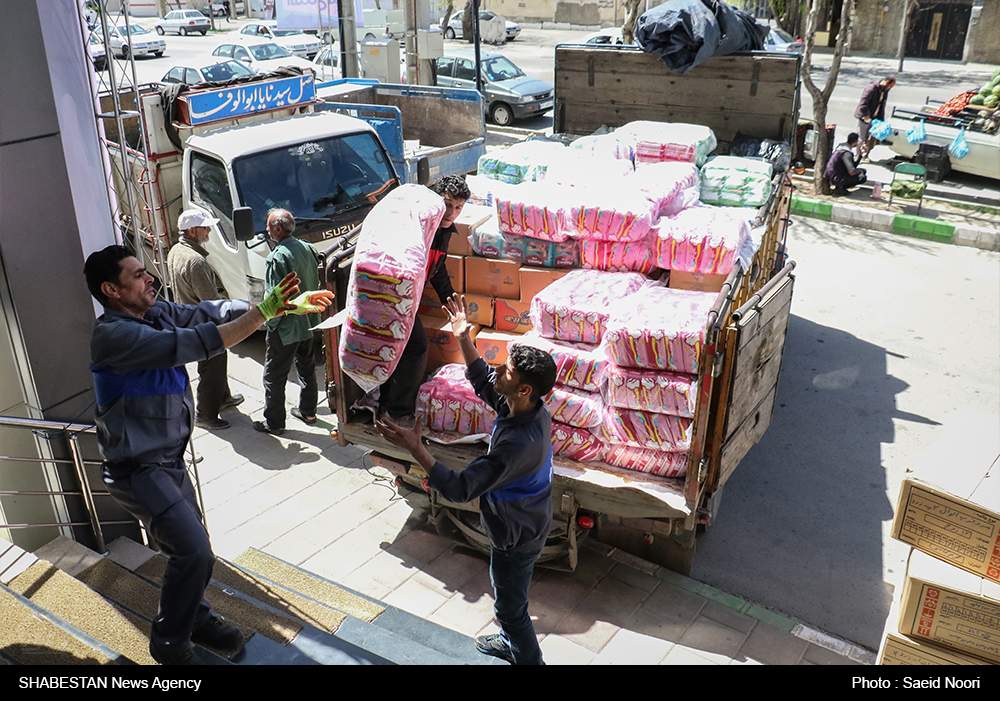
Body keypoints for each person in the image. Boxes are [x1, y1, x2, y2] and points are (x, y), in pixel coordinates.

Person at [84, 245, 331, 665]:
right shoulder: (114, 335)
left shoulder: (153, 312)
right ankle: (169, 647)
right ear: (111, 289)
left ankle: (194, 617)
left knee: (195, 552)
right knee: (194, 551)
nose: (150, 280)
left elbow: (208, 312)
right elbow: (199, 341)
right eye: (138, 275)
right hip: (137, 469)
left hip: (169, 461)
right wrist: (265, 313)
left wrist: (277, 305)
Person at [376, 294, 557, 665]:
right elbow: (487, 384)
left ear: (524, 389)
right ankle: (512, 642)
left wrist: (416, 448)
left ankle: (528, 658)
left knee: (510, 608)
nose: (498, 371)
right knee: (507, 593)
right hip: (524, 520)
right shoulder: (530, 408)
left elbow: (460, 489)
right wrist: (462, 337)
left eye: (506, 370)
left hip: (516, 536)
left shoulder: (518, 445)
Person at [376, 175, 470, 427]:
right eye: (447, 204)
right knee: (416, 347)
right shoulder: (418, 226)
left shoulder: (445, 232)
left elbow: (437, 270)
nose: (451, 212)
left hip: (409, 302)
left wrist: (451, 302)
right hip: (394, 298)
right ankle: (396, 412)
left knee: (403, 351)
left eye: (458, 207)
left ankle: (387, 405)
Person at [166, 210, 244, 430]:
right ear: (192, 231)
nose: (209, 230)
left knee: (216, 363)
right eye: (205, 227)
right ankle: (205, 414)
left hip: (190, 319)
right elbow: (211, 301)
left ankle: (223, 397)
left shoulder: (176, 250)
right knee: (212, 366)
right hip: (204, 325)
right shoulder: (196, 261)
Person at [255, 208, 322, 435]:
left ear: (278, 229)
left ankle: (274, 423)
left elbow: (273, 298)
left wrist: (270, 327)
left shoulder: (277, 257)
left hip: (285, 327)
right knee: (307, 368)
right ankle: (309, 412)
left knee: (274, 376)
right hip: (309, 322)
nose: (266, 230)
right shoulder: (308, 248)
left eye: (269, 226)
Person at [855, 76, 896, 159]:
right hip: (865, 117)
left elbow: (882, 105)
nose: (890, 88)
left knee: (871, 138)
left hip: (875, 118)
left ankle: (865, 155)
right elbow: (863, 103)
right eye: (890, 86)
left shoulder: (884, 91)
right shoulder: (871, 88)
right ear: (886, 82)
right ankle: (858, 156)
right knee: (862, 137)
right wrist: (866, 114)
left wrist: (881, 120)